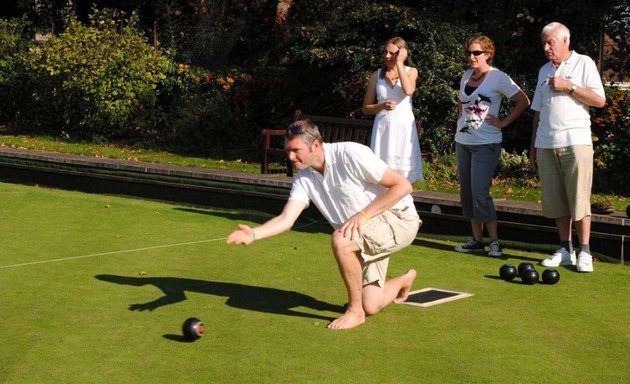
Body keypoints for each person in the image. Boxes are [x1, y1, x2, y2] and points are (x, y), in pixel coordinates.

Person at [226, 119, 421, 330]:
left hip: (399, 219)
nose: (290, 157)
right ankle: (404, 280)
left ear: (316, 145)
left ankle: (355, 313)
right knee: (371, 305)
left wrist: (363, 216)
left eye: (296, 150)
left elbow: (403, 186)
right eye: (287, 151)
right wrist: (253, 234)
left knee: (342, 240)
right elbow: (286, 219)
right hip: (367, 231)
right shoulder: (304, 178)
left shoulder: (350, 154)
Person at [529, 22, 606, 272]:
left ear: (565, 41)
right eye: (544, 43)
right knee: (556, 201)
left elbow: (599, 100)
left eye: (550, 42)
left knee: (579, 199)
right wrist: (533, 147)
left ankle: (584, 251)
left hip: (576, 142)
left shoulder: (584, 63)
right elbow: (538, 112)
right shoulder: (543, 71)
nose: (546, 47)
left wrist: (569, 87)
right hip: (546, 144)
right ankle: (565, 249)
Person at [453, 34, 530, 257]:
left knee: (480, 192)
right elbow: (461, 100)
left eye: (476, 52)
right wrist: (460, 120)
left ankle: (495, 242)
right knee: (467, 194)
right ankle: (477, 240)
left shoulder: (498, 78)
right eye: (469, 52)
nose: (471, 56)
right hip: (463, 141)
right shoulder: (466, 75)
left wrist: (503, 122)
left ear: (488, 54)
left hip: (486, 143)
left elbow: (523, 101)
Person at [362, 36, 424, 183]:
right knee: (381, 176)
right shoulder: (376, 76)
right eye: (386, 52)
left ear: (402, 54)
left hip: (403, 129)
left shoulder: (411, 71)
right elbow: (365, 108)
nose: (387, 56)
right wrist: (382, 106)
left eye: (392, 53)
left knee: (404, 178)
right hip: (383, 130)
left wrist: (399, 63)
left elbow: (408, 90)